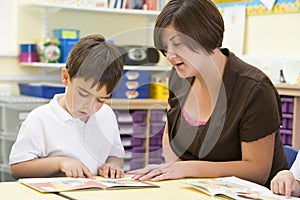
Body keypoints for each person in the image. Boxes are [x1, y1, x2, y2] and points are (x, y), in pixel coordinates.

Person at [130, 0, 287, 188]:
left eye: (177, 44)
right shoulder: (180, 77)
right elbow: (168, 136)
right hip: (191, 190)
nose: (170, 55)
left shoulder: (255, 89)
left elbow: (257, 171)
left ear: (205, 35)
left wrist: (188, 170)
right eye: (165, 47)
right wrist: (172, 171)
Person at [10, 34, 125, 179]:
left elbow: (115, 155)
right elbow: (18, 168)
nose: (89, 107)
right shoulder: (40, 118)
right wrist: (60, 162)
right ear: (65, 77)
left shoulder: (106, 114)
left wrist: (113, 165)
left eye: (100, 100)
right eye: (83, 94)